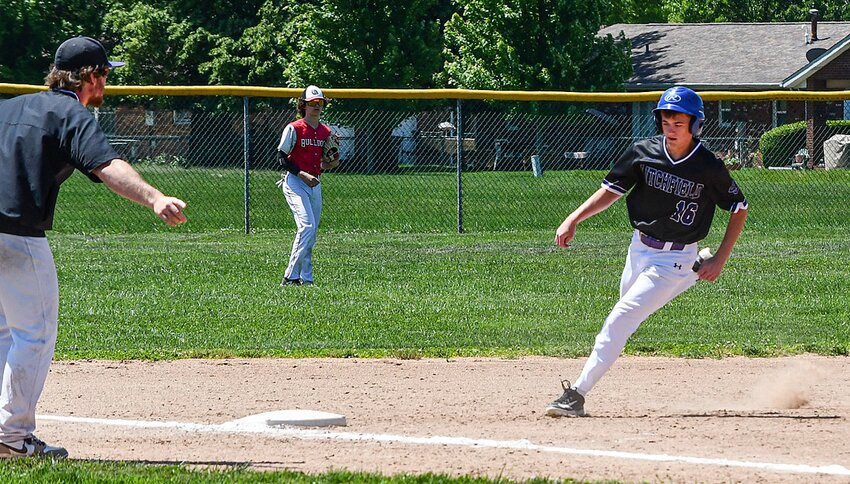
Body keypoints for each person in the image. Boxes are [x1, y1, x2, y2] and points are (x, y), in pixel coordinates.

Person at [0, 36, 187, 458]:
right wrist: (155, 197)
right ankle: (11, 437)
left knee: (6, 332)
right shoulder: (71, 112)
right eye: (105, 74)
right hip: (16, 234)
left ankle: (4, 432)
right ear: (91, 77)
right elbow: (108, 165)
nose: (107, 83)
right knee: (35, 333)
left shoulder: (8, 107)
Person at [546, 86, 748, 417]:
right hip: (639, 249)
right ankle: (693, 272)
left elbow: (739, 207)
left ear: (695, 125)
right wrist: (573, 218)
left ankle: (576, 395)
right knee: (626, 318)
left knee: (620, 320)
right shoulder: (643, 152)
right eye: (666, 119)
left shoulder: (708, 166)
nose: (670, 126)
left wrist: (721, 257)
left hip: (674, 256)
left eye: (678, 121)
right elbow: (610, 191)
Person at [276, 85, 339, 286]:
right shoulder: (293, 128)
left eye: (320, 103)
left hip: (315, 183)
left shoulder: (325, 132)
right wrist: (302, 175)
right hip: (295, 182)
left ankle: (306, 278)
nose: (317, 106)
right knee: (307, 226)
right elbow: (281, 158)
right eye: (312, 103)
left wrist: (332, 161)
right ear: (303, 105)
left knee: (311, 233)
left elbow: (325, 163)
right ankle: (290, 276)